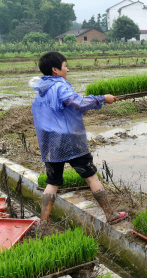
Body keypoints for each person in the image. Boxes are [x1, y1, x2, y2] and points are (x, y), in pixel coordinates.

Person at [30, 52, 128, 226]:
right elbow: (78, 103)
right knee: (91, 177)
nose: (67, 69)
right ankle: (110, 214)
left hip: (51, 144)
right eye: (65, 65)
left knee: (52, 183)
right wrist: (102, 99)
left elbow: (63, 110)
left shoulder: (41, 90)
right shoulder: (60, 86)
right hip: (69, 141)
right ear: (55, 70)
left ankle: (43, 224)